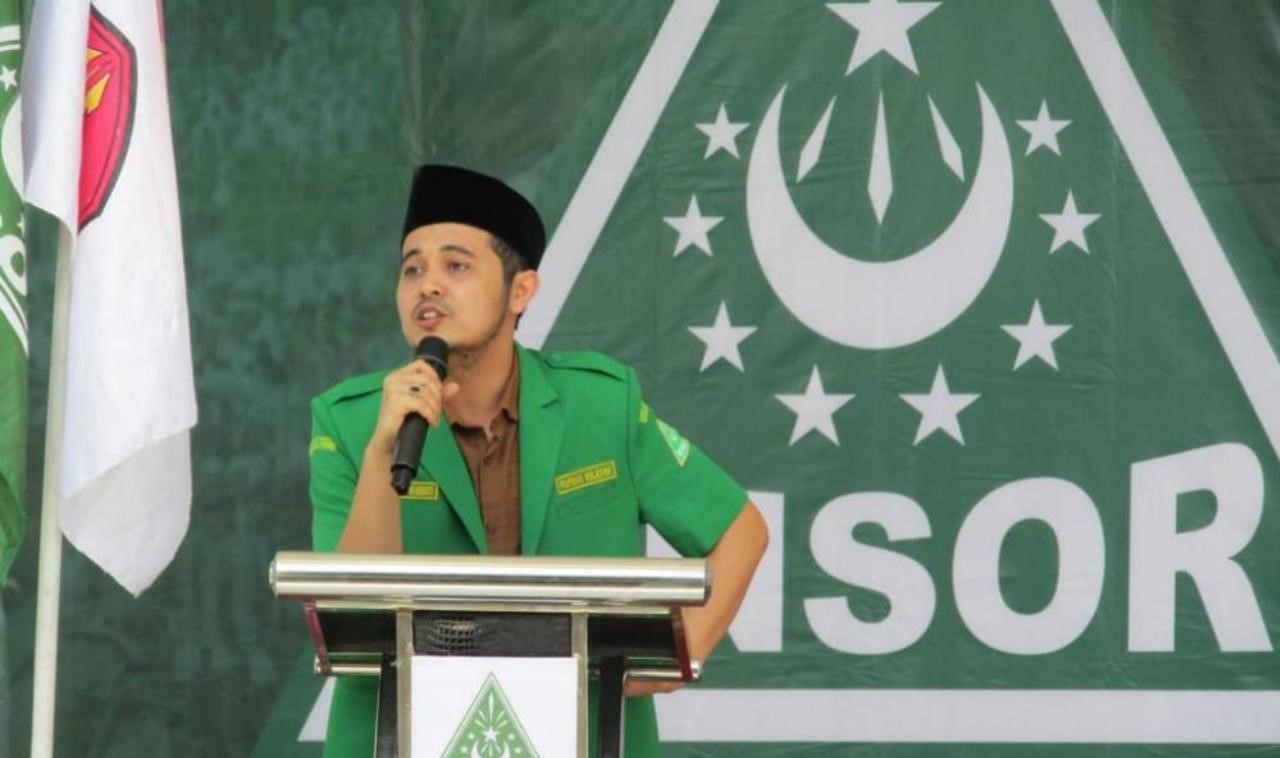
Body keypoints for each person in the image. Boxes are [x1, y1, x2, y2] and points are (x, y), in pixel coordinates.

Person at [309, 164, 768, 757]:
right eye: (412, 269)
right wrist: (382, 452)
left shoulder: (601, 404)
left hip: (580, 733)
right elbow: (350, 612)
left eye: (456, 266)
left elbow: (739, 529)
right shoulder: (350, 422)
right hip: (402, 737)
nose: (428, 286)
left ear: (521, 290)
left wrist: (683, 656)